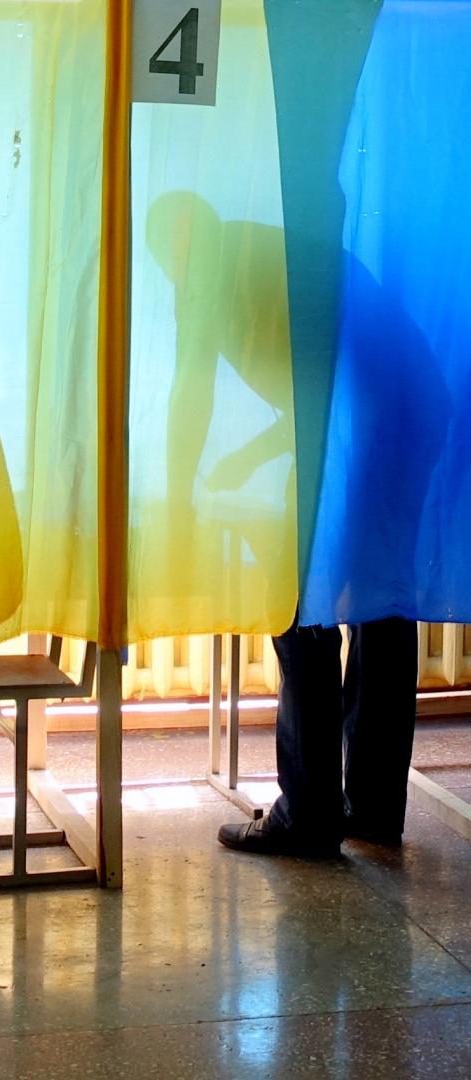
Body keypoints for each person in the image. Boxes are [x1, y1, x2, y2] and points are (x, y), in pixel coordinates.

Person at [147, 192, 446, 859]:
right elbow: (321, 386)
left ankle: (309, 813)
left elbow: (192, 394)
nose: (172, 281)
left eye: (167, 261)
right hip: (411, 407)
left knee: (299, 599)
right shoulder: (250, 250)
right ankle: (369, 806)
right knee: (383, 608)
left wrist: (174, 504)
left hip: (385, 420)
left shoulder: (218, 264)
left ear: (181, 239)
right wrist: (250, 455)